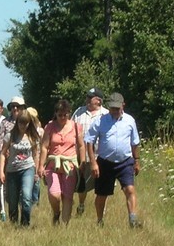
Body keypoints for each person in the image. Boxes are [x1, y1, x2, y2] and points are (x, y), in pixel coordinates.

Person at [85, 92, 142, 228]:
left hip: (125, 161)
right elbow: (89, 141)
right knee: (101, 195)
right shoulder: (100, 121)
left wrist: (137, 161)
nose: (115, 111)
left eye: (117, 108)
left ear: (123, 105)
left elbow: (135, 143)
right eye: (112, 108)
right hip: (105, 163)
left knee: (130, 189)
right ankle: (100, 221)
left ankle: (132, 219)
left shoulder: (130, 121)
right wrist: (93, 163)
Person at [38, 99, 84, 225]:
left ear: (69, 113)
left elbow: (81, 146)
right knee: (55, 194)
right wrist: (41, 165)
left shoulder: (76, 127)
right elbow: (44, 146)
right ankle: (56, 213)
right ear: (56, 114)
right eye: (60, 115)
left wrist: (82, 162)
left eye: (65, 114)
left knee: (68, 196)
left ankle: (65, 225)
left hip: (70, 166)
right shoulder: (50, 127)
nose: (62, 117)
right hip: (53, 165)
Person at [0, 110, 39, 226]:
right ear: (17, 123)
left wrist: (36, 171)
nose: (23, 126)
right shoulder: (10, 136)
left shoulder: (32, 136)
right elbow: (2, 153)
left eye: (25, 123)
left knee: (26, 196)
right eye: (21, 123)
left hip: (28, 168)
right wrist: (1, 171)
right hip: (12, 170)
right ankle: (13, 223)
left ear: (29, 123)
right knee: (12, 200)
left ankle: (25, 224)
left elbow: (36, 154)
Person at [73, 87, 105, 216]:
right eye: (87, 97)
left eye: (90, 98)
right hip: (83, 157)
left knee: (102, 187)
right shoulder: (79, 112)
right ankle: (81, 204)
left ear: (98, 100)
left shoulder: (106, 115)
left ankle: (101, 212)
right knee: (82, 185)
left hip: (101, 157)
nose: (86, 100)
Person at [24, 105, 44, 206]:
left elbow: (43, 146)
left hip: (38, 156)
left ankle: (35, 201)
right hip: (27, 156)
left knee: (36, 180)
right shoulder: (24, 128)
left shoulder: (40, 130)